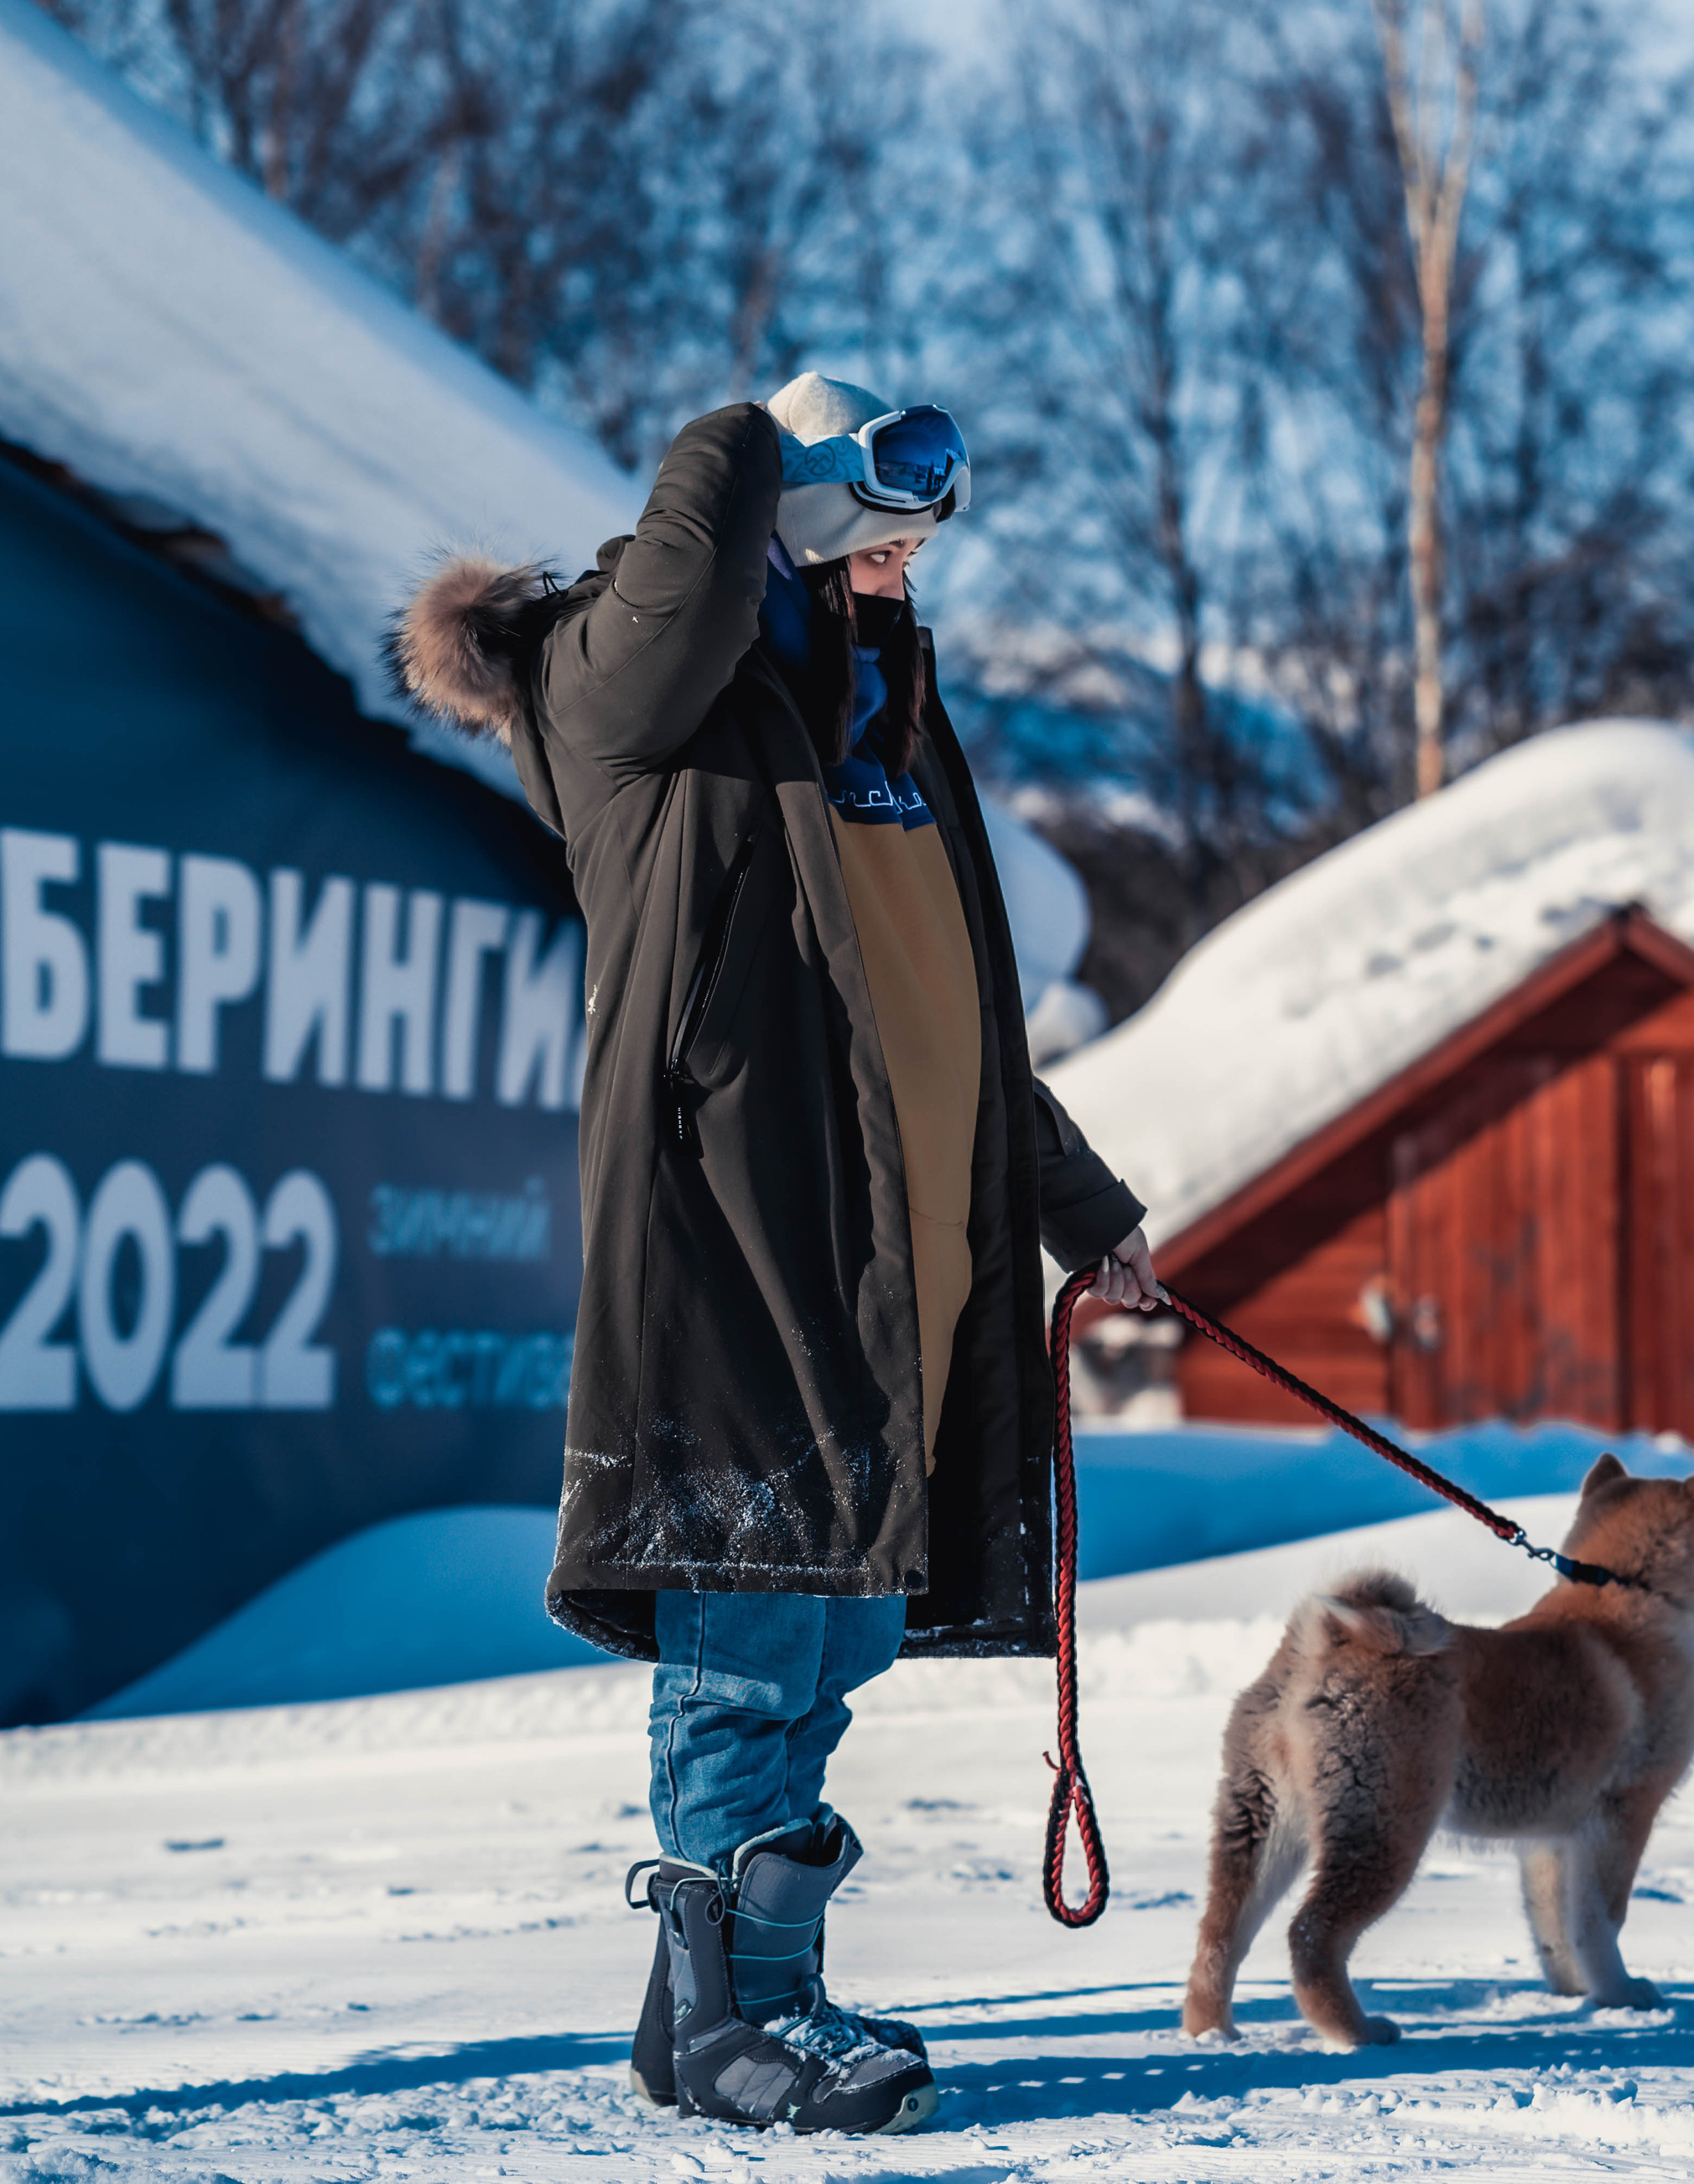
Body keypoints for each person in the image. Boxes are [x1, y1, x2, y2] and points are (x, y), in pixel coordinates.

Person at [392, 376, 1161, 2138]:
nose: (908, 563)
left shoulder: (872, 753)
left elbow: (946, 1029)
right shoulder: (625, 698)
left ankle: (735, 2009)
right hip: (733, 1255)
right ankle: (738, 2020)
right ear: (784, 518)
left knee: (826, 1654)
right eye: (876, 526)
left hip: (904, 1282)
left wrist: (1085, 1213)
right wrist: (755, 430)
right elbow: (677, 594)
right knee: (743, 1639)